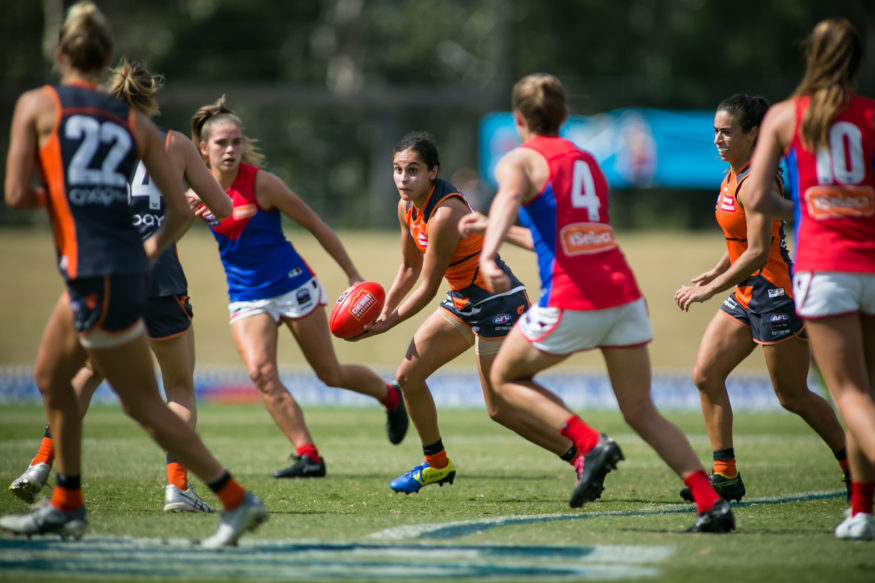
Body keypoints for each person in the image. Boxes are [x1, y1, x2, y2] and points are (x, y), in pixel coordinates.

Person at [0, 2, 266, 547]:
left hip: (96, 271)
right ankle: (78, 497)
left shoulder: (43, 106)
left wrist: (69, 201)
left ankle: (229, 497)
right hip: (145, 276)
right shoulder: (141, 130)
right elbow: (195, 209)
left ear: (60, 53)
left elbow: (17, 194)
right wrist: (152, 245)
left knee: (104, 388)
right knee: (85, 380)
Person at [474, 72, 734, 532]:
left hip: (574, 298)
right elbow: (559, 237)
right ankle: (711, 503)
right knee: (641, 411)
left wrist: (488, 252)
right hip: (623, 296)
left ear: (518, 119)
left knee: (503, 377)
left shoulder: (519, 159)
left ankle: (589, 443)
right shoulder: (587, 162)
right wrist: (491, 231)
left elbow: (508, 198)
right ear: (564, 115)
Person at [189, 97, 408, 479]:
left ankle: (390, 396)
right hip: (246, 295)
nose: (230, 149)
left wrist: (353, 274)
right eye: (222, 143)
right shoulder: (196, 193)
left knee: (330, 374)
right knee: (261, 374)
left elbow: (316, 226)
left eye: (237, 141)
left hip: (293, 284)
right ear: (203, 148)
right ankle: (309, 456)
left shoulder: (262, 184)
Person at [356, 132, 577, 494]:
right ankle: (436, 465)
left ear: (433, 172)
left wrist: (388, 323)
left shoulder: (445, 215)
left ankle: (581, 453)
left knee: (500, 410)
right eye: (398, 170)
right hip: (463, 301)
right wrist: (384, 308)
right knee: (408, 376)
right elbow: (409, 267)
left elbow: (427, 287)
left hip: (498, 304)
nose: (403, 178)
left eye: (413, 170)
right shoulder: (406, 208)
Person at [673, 94, 848, 503]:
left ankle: (854, 466)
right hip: (747, 292)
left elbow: (756, 252)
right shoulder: (732, 174)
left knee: (792, 396)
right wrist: (716, 271)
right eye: (715, 131)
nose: (717, 139)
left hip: (775, 295)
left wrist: (709, 289)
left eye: (726, 132)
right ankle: (725, 476)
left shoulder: (757, 180)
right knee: (706, 375)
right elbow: (740, 242)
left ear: (753, 133)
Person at [745, 18, 875, 541]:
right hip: (871, 264)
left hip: (826, 269)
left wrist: (805, 208)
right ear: (857, 62)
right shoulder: (870, 115)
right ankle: (862, 511)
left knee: (850, 395)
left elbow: (758, 197)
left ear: (810, 58)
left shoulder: (785, 116)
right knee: (867, 395)